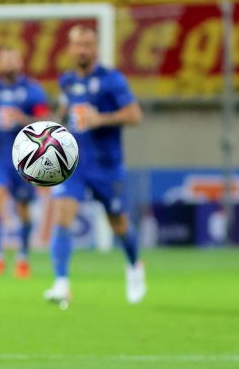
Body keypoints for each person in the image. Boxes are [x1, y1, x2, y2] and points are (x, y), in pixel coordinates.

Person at [45, 25, 146, 304]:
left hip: (106, 166)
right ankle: (61, 284)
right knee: (62, 216)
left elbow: (135, 115)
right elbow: (64, 113)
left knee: (118, 223)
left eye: (87, 44)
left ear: (96, 48)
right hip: (73, 163)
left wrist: (101, 119)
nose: (82, 50)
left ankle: (134, 265)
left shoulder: (112, 80)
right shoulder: (67, 81)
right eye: (78, 45)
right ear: (70, 48)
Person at [0, 47, 49, 279]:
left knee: (23, 208)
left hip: (25, 156)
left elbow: (45, 120)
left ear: (20, 63)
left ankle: (23, 256)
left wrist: (22, 119)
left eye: (12, 60)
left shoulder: (33, 90)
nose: (8, 64)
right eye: (4, 60)